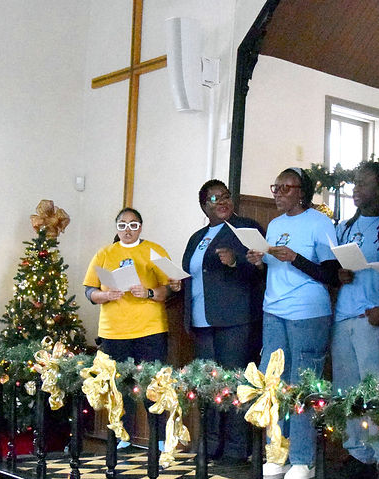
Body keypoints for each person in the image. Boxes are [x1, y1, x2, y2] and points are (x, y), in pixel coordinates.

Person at [246, 167, 338, 479]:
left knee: (302, 383)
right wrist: (258, 263)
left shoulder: (320, 223)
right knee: (275, 383)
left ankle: (303, 458)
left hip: (308, 312)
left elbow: (331, 273)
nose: (279, 193)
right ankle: (278, 453)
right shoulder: (273, 225)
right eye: (276, 187)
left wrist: (295, 258)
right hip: (274, 311)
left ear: (302, 191)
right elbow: (272, 270)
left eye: (286, 188)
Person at [330, 161, 379, 479]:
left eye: (363, 184)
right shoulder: (344, 227)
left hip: (375, 318)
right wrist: (340, 274)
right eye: (354, 184)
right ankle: (356, 452)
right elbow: (336, 269)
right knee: (346, 390)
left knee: (374, 388)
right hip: (344, 316)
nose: (356, 190)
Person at [180, 179, 265, 464]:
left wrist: (234, 262)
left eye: (226, 196)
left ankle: (237, 446)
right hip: (202, 320)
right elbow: (190, 271)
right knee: (210, 385)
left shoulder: (246, 228)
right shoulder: (197, 237)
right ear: (204, 206)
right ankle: (211, 443)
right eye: (215, 198)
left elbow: (261, 269)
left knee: (235, 383)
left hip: (235, 320)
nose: (222, 202)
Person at [83, 207, 173, 449]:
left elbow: (171, 287)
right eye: (122, 225)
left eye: (133, 225)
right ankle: (122, 434)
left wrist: (149, 292)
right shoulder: (104, 253)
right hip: (114, 331)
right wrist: (106, 294)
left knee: (153, 384)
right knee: (120, 386)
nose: (128, 230)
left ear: (140, 227)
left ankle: (161, 437)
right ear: (117, 228)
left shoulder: (154, 250)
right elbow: (89, 291)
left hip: (150, 328)